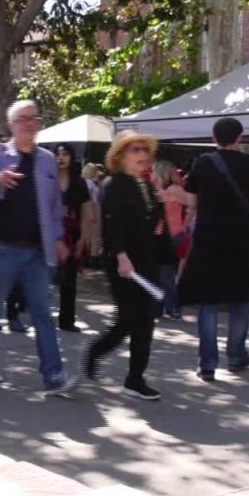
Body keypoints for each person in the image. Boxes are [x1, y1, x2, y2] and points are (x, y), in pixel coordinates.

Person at [0, 99, 75, 396]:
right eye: (23, 118)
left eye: (34, 118)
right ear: (11, 124)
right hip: (3, 248)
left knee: (42, 313)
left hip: (37, 251)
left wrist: (59, 238)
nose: (30, 123)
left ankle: (54, 375)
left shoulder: (48, 159)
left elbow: (53, 207)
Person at [177, 117, 249, 381]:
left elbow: (192, 202)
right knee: (239, 299)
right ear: (240, 137)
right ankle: (236, 356)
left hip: (208, 237)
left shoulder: (202, 163)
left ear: (214, 137)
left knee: (209, 302)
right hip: (241, 237)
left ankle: (207, 364)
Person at [83, 131, 169, 400]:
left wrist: (158, 194)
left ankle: (135, 379)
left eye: (145, 149)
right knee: (128, 319)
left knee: (146, 321)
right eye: (135, 150)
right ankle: (96, 351)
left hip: (147, 259)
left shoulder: (145, 184)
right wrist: (120, 256)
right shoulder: (113, 185)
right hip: (124, 261)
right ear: (120, 157)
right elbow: (112, 223)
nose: (143, 154)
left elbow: (156, 223)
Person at [55, 144, 95, 332]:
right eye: (58, 154)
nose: (61, 158)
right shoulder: (48, 180)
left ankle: (66, 320)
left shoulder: (79, 183)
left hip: (72, 235)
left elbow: (87, 213)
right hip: (50, 234)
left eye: (65, 154)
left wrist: (84, 238)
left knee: (69, 280)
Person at [151, 160, 190, 320]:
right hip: (163, 236)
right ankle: (161, 308)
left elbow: (159, 198)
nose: (151, 175)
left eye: (154, 172)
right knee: (161, 274)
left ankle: (172, 307)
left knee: (166, 274)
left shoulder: (173, 190)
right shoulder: (170, 189)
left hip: (171, 236)